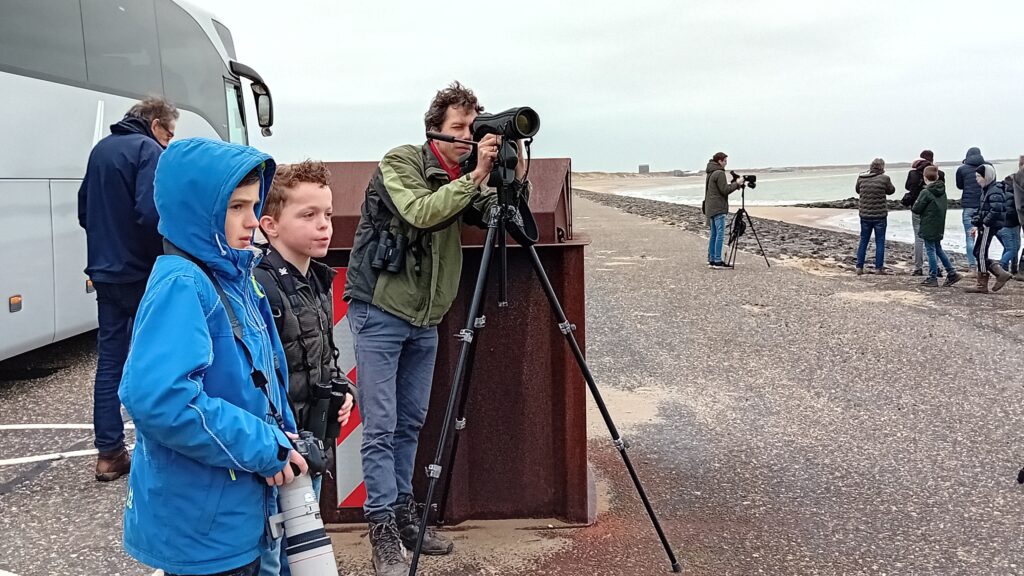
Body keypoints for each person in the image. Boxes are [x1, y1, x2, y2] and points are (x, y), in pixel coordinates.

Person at [344, 81, 530, 576]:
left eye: (474, 128)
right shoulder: (400, 162)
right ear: (434, 131)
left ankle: (407, 517)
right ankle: (382, 529)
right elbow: (421, 212)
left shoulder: (466, 173)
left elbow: (496, 217)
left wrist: (510, 180)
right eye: (458, 129)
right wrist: (477, 176)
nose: (468, 137)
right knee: (380, 426)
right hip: (380, 309)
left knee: (410, 421)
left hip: (425, 318)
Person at [118, 138, 308, 576]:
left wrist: (286, 442)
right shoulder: (184, 283)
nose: (251, 221)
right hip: (205, 530)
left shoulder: (234, 274)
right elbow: (161, 400)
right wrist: (267, 447)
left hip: (235, 514)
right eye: (236, 207)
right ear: (196, 209)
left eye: (254, 205)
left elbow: (266, 380)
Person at [253, 160, 355, 575]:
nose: (324, 226)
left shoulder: (314, 279)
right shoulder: (262, 286)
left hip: (308, 443)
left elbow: (321, 354)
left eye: (327, 214)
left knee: (304, 546)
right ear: (270, 225)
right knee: (274, 552)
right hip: (278, 452)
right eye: (308, 215)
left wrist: (343, 390)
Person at [77, 97, 178, 481]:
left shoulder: (101, 150)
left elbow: (84, 209)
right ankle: (162, 451)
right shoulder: (148, 150)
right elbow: (150, 212)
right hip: (140, 272)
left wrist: (106, 246)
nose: (168, 142)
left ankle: (109, 454)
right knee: (157, 358)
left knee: (110, 362)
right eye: (169, 133)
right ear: (155, 124)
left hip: (105, 272)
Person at [911, 166, 962, 287]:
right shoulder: (942, 191)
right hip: (939, 224)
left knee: (930, 250)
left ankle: (932, 276)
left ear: (924, 177)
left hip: (928, 224)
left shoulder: (926, 192)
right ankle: (951, 272)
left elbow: (916, 209)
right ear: (938, 177)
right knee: (938, 248)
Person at [965, 165, 1012, 293]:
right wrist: (976, 220)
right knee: (977, 251)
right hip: (985, 225)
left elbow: (996, 210)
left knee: (980, 252)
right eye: (976, 177)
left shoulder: (994, 190)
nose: (977, 180)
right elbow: (983, 209)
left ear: (987, 177)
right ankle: (1000, 272)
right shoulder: (986, 190)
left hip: (989, 226)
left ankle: (982, 284)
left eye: (979, 176)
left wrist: (984, 223)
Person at [903, 150, 945, 275]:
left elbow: (907, 187)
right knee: (935, 239)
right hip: (934, 210)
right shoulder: (940, 174)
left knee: (918, 238)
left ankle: (918, 268)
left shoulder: (913, 173)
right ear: (932, 159)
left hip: (917, 207)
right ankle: (936, 267)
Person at [854, 158, 896, 274]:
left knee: (863, 240)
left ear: (871, 166)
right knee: (880, 241)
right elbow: (891, 191)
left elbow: (858, 190)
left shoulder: (861, 178)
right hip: (880, 214)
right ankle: (878, 268)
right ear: (882, 167)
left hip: (865, 214)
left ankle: (859, 267)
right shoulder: (885, 179)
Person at [703, 152, 742, 269]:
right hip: (718, 208)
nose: (726, 163)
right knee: (719, 235)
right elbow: (724, 190)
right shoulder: (719, 173)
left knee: (714, 234)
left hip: (710, 207)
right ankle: (717, 260)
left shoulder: (710, 172)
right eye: (725, 161)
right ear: (720, 161)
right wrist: (737, 184)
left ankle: (712, 259)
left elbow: (718, 189)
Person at [955, 147, 991, 272]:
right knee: (984, 236)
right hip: (983, 206)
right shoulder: (988, 167)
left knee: (969, 236)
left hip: (968, 205)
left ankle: (972, 266)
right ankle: (983, 263)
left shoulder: (962, 169)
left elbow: (960, 186)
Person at [995, 175, 1021, 277]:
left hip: (1003, 225)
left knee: (1009, 248)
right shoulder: (1012, 195)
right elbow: (1010, 212)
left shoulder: (1001, 192)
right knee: (1012, 249)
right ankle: (1000, 267)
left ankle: (1005, 269)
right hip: (1008, 225)